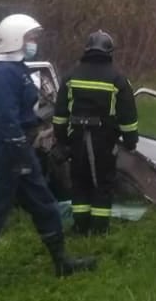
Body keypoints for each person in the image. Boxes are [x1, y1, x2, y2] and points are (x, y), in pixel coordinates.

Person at [0, 14, 97, 285]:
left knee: (43, 202)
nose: (34, 42)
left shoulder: (17, 69)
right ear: (15, 40)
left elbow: (24, 111)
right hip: (7, 148)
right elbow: (6, 117)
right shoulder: (3, 74)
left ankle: (61, 261)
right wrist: (20, 151)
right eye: (30, 38)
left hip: (19, 146)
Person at [52, 30, 139, 236]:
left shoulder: (70, 77)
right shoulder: (118, 79)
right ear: (110, 51)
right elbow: (128, 116)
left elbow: (60, 115)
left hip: (76, 139)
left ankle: (80, 226)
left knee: (79, 182)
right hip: (104, 140)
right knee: (103, 183)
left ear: (87, 49)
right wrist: (130, 142)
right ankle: (99, 230)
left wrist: (63, 141)